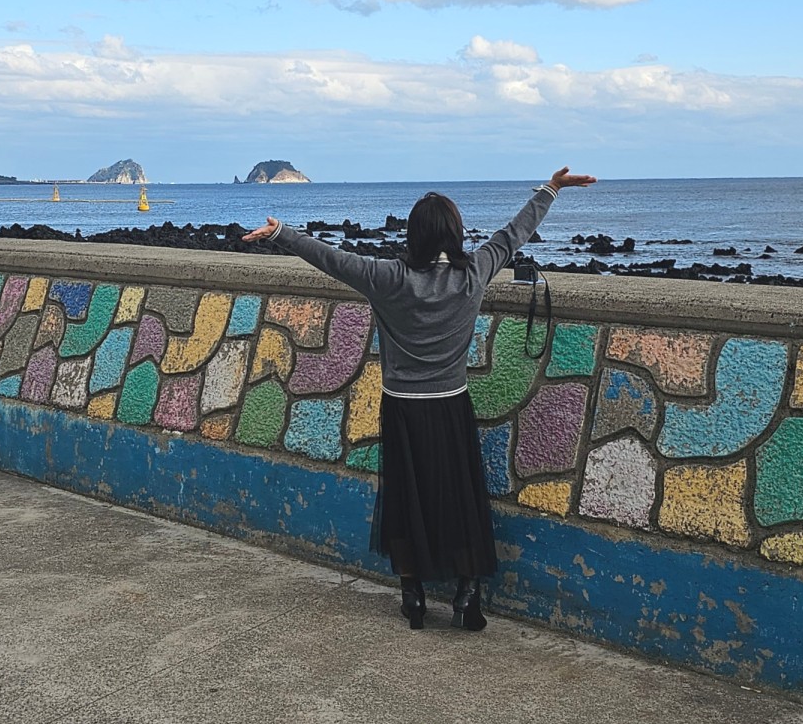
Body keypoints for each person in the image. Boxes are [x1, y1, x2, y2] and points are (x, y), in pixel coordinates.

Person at [243, 166, 597, 632]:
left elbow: (332, 259)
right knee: (459, 498)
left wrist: (281, 233)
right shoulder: (473, 275)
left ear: (413, 235)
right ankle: (466, 595)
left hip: (403, 406)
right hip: (450, 405)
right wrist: (550, 190)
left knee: (408, 498)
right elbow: (513, 235)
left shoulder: (388, 277)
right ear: (454, 233)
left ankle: (412, 596)